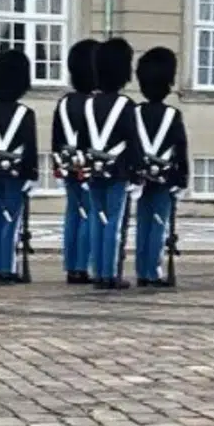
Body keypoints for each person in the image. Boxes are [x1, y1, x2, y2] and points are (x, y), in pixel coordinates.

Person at [83, 38, 142, 290]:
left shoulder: (89, 104)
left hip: (94, 170)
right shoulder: (126, 105)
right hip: (118, 171)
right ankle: (110, 273)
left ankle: (97, 271)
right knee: (114, 223)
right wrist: (137, 173)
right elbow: (133, 141)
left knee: (97, 220)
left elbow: (83, 139)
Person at [0, 49, 37, 284]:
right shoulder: (25, 114)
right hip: (16, 174)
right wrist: (31, 176)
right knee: (11, 221)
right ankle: (8, 269)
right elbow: (30, 148)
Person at [132, 47, 188, 288]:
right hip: (165, 178)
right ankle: (152, 272)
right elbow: (180, 149)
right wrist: (182, 179)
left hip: (141, 177)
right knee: (157, 224)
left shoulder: (135, 113)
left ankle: (141, 271)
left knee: (143, 224)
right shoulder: (172, 115)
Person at [53, 39, 99, 284]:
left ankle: (71, 265)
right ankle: (82, 266)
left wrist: (58, 166)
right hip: (88, 165)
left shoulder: (64, 102)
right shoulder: (93, 103)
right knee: (89, 214)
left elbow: (56, 136)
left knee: (73, 213)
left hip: (67, 163)